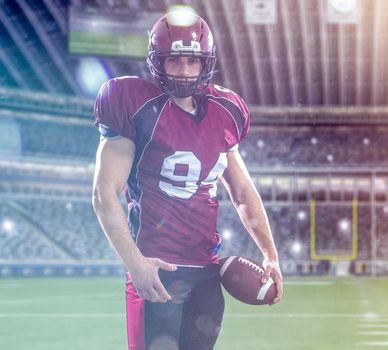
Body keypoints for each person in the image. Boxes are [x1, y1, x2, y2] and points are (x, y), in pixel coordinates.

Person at [91, 11, 283, 350]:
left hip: (206, 274)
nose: (183, 70)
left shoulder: (227, 111)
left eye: (191, 61)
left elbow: (241, 191)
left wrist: (271, 254)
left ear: (205, 63)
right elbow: (104, 193)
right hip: (156, 269)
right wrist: (135, 263)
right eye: (174, 61)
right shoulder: (133, 102)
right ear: (157, 62)